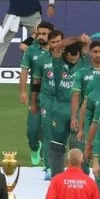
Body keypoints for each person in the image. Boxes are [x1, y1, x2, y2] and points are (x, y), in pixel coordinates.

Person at [49, 42, 88, 178]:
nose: (73, 61)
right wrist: (77, 38)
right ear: (66, 55)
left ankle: (81, 178)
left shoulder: (83, 63)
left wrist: (82, 41)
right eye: (70, 59)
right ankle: (57, 179)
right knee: (57, 146)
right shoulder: (58, 63)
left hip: (78, 111)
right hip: (59, 109)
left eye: (75, 59)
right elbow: (58, 46)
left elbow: (86, 44)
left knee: (78, 145)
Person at [19, 21, 54, 166]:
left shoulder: (60, 51)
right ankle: (35, 147)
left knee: (49, 130)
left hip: (54, 98)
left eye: (44, 34)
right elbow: (24, 71)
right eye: (39, 33)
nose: (41, 36)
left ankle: (48, 160)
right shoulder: (32, 50)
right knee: (32, 130)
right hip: (36, 97)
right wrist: (22, 91)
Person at [30, 30, 64, 179]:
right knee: (48, 132)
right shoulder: (42, 59)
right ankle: (50, 167)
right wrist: (33, 102)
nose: (56, 45)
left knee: (65, 133)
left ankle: (71, 165)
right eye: (53, 42)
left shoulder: (70, 58)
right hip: (47, 99)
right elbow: (36, 83)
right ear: (49, 43)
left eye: (59, 41)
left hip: (65, 101)